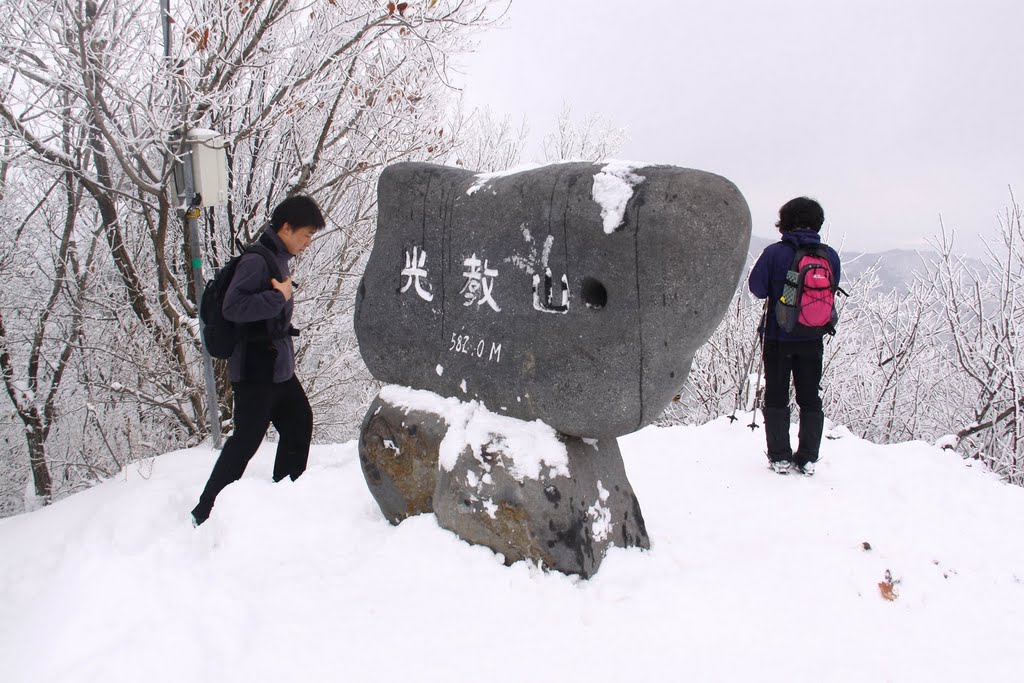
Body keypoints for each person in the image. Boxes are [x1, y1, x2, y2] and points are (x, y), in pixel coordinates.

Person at [191, 195, 325, 526]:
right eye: (305, 235)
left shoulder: (276, 256)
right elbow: (233, 308)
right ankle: (205, 511)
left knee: (298, 424)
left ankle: (285, 496)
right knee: (245, 443)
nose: (307, 243)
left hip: (277, 367)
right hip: (255, 370)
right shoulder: (257, 260)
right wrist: (278, 295)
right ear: (286, 227)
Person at [748, 197, 841, 476]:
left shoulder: (775, 253)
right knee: (810, 397)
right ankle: (808, 458)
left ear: (784, 222)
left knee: (777, 395)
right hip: (813, 337)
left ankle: (780, 457)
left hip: (779, 336)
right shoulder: (829, 255)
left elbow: (757, 288)